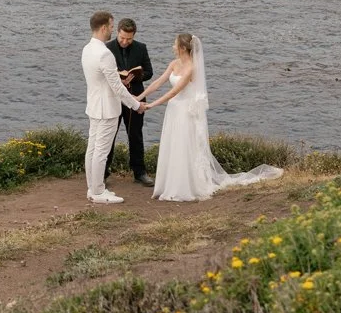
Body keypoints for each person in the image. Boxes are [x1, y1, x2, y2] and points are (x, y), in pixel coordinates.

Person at [141, 32, 283, 202]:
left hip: (185, 111)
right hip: (173, 110)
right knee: (173, 144)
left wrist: (151, 105)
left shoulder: (192, 68)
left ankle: (183, 186)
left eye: (175, 44)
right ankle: (168, 183)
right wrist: (140, 96)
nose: (173, 47)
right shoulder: (174, 64)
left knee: (183, 146)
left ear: (183, 48)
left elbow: (175, 91)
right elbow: (158, 82)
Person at [81, 10, 146, 204]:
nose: (111, 29)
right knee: (101, 151)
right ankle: (99, 191)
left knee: (92, 148)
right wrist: (136, 105)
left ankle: (92, 188)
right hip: (107, 108)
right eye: (111, 26)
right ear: (103, 28)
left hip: (93, 106)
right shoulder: (105, 54)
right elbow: (117, 87)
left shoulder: (87, 49)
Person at [105, 18, 154, 186]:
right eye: (122, 38)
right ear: (117, 32)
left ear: (134, 35)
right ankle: (103, 172)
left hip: (135, 96)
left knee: (135, 135)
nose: (125, 41)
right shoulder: (107, 48)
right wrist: (118, 78)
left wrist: (135, 76)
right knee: (109, 135)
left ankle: (139, 172)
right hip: (114, 98)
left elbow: (149, 72)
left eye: (129, 39)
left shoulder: (141, 48)